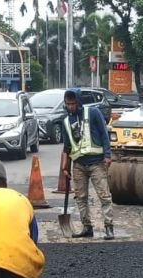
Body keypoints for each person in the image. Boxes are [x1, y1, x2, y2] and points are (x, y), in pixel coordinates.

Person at [61, 88, 114, 240]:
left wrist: (108, 155)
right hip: (78, 165)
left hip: (96, 162)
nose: (70, 107)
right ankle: (87, 227)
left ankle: (109, 227)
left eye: (72, 103)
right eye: (67, 104)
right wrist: (65, 167)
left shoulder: (93, 113)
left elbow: (104, 134)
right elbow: (67, 146)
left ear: (78, 101)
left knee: (104, 196)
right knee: (81, 197)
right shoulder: (66, 121)